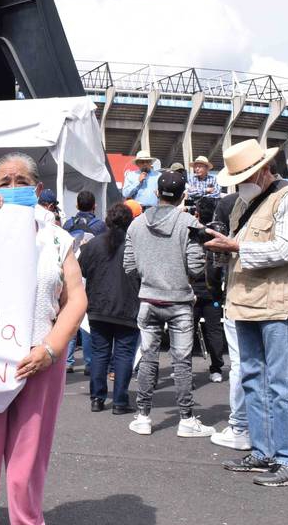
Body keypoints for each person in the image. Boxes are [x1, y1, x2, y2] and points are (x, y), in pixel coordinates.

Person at [0, 152, 87, 524]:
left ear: (38, 189)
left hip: (38, 362)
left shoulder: (57, 240)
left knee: (27, 466)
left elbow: (75, 298)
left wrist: (51, 349)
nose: (13, 188)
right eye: (4, 183)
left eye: (21, 182)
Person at [204, 139, 288, 486]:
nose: (241, 184)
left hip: (278, 303)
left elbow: (284, 249)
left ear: (265, 170)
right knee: (252, 379)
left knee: (282, 385)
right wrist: (218, 248)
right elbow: (239, 251)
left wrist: (234, 245)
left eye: (246, 176)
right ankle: (264, 450)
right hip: (244, 301)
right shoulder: (241, 204)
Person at [122, 171, 214, 437]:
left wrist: (150, 271)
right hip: (179, 301)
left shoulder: (136, 224)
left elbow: (129, 266)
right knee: (182, 361)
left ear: (156, 193)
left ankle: (142, 416)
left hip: (148, 299)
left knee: (148, 359)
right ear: (184, 194)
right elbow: (196, 267)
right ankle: (186, 418)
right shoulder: (189, 223)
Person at [78, 202, 139, 414]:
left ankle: (97, 398)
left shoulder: (93, 245)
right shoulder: (135, 245)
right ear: (130, 222)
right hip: (128, 307)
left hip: (98, 305)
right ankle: (120, 401)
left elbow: (82, 271)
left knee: (99, 353)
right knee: (123, 354)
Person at [208, 191, 252, 452]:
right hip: (281, 296)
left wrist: (216, 292)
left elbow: (217, 257)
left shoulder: (227, 204)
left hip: (240, 293)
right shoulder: (286, 196)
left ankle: (240, 425)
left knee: (241, 363)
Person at [192, 197, 227, 383]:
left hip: (193, 290)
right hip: (213, 289)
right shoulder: (218, 232)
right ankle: (216, 369)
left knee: (187, 331)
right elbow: (222, 263)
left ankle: (184, 368)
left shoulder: (192, 232)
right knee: (214, 330)